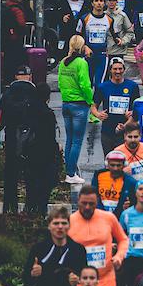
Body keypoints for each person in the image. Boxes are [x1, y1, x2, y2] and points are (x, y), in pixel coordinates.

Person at [69, 185, 130, 286]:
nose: (87, 207)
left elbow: (123, 240)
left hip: (105, 280)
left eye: (91, 204)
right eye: (84, 203)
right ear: (78, 202)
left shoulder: (108, 218)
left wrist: (119, 256)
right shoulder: (70, 221)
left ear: (97, 203)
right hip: (80, 282)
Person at [24, 207, 88, 286]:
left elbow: (85, 278)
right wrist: (33, 274)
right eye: (56, 223)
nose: (60, 227)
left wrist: (78, 279)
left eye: (64, 223)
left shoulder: (78, 250)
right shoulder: (39, 249)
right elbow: (26, 280)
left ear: (69, 225)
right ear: (49, 226)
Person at [57, 35, 94, 184]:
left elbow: (60, 82)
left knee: (69, 140)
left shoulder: (63, 63)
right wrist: (90, 100)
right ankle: (71, 173)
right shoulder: (81, 63)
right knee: (77, 141)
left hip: (66, 103)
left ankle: (69, 170)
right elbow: (85, 84)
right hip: (79, 104)